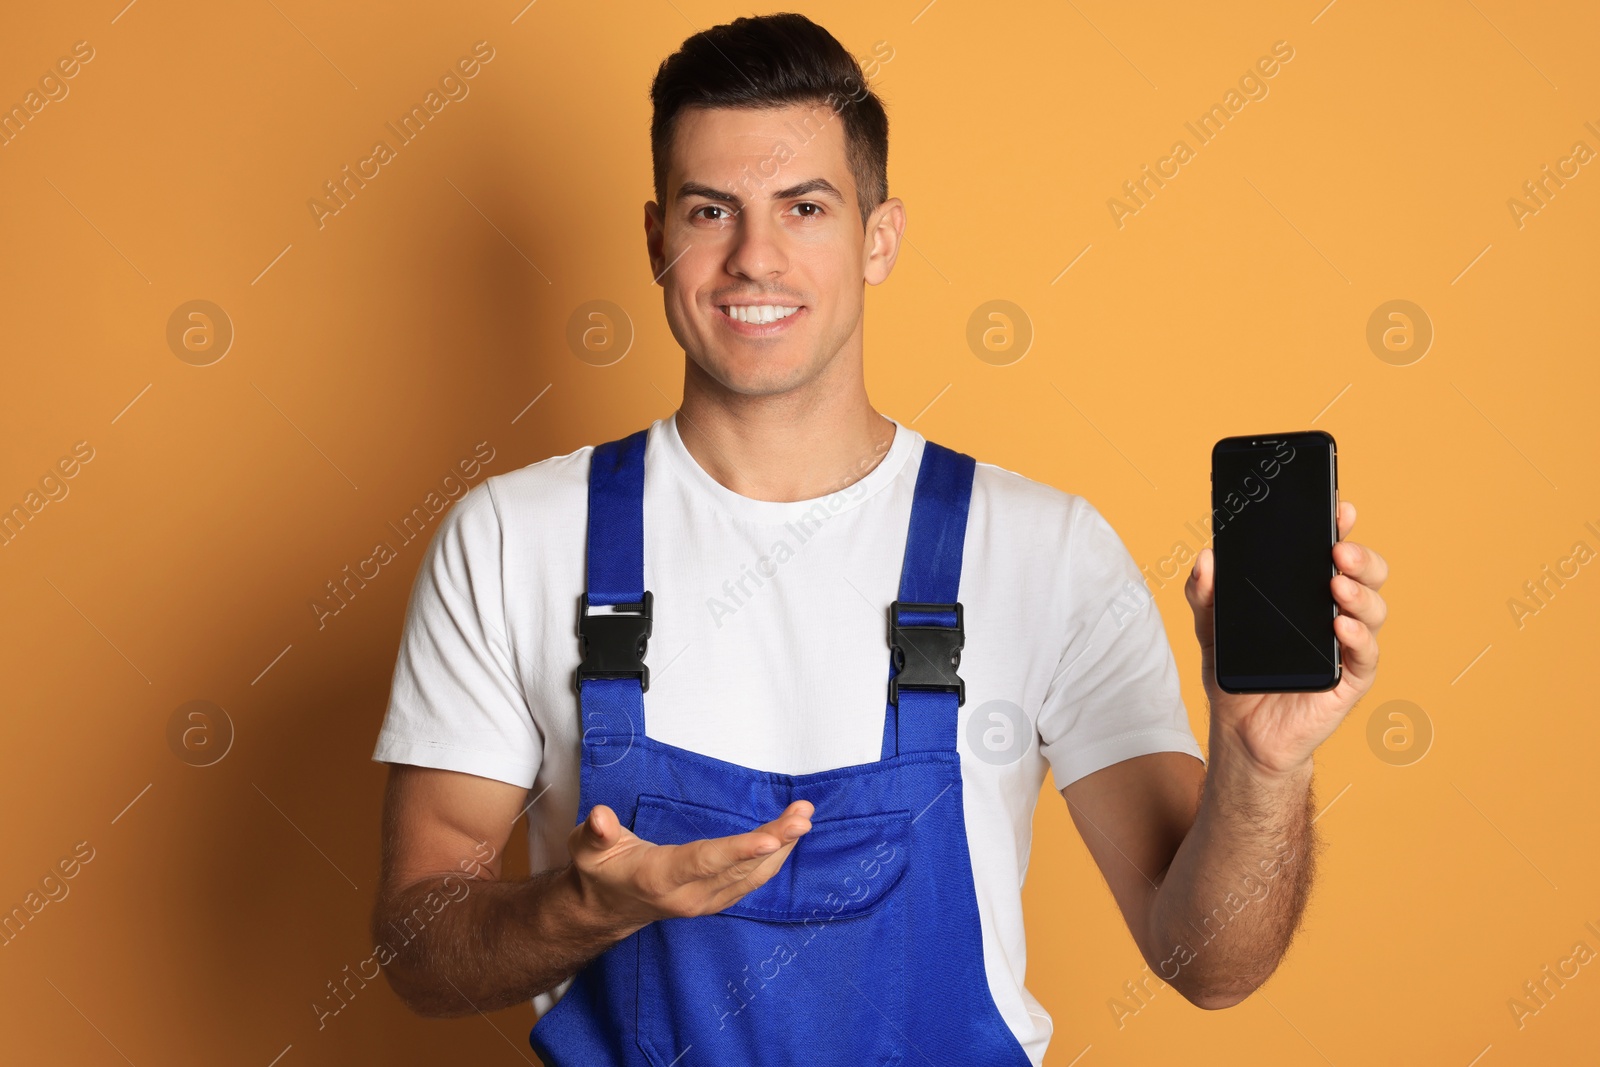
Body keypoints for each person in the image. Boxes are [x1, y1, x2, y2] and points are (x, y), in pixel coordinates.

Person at [368, 12, 1390, 1065]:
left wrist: (1261, 766)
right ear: (655, 240)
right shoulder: (514, 537)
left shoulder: (1043, 549)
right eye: (709, 209)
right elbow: (412, 945)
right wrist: (580, 905)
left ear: (878, 236)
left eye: (803, 207)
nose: (752, 258)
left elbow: (1207, 963)